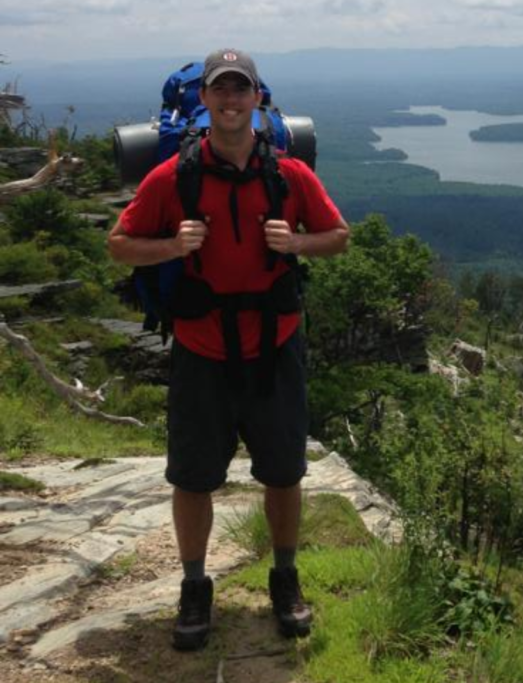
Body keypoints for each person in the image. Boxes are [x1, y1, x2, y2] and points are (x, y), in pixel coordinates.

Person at [107, 48, 349, 651]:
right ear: (207, 101)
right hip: (201, 346)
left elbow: (339, 237)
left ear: (258, 99)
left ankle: (285, 577)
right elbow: (120, 244)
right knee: (192, 478)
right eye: (222, 89)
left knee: (284, 472)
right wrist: (170, 248)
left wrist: (295, 243)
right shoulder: (174, 177)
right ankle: (195, 587)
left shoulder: (289, 175)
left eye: (243, 89)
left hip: (274, 345)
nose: (232, 99)